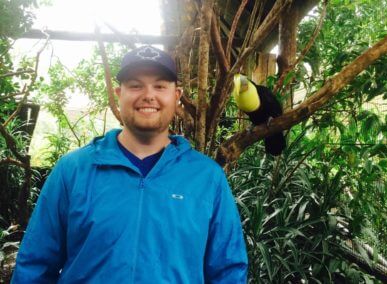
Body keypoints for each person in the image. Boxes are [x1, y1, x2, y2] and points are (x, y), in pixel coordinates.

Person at [12, 45, 248, 283]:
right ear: (118, 93)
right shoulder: (73, 170)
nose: (148, 95)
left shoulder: (207, 177)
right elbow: (35, 265)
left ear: (176, 96)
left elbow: (228, 270)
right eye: (135, 85)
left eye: (160, 86)